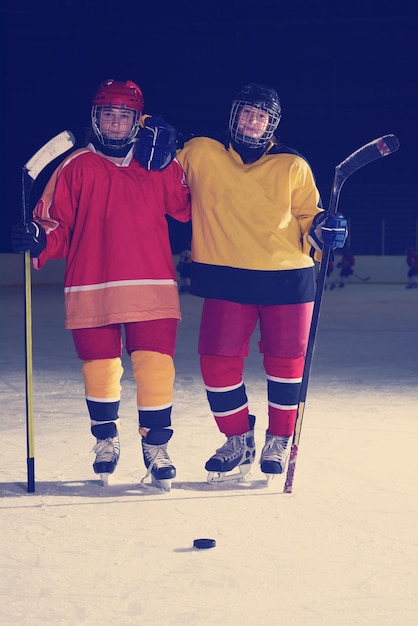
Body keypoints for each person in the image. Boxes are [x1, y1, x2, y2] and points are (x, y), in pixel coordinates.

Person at [135, 82, 348, 483]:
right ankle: (238, 438)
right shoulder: (200, 152)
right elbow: (168, 187)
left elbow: (310, 218)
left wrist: (325, 228)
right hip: (225, 278)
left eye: (262, 117)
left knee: (286, 369)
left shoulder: (292, 165)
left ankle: (279, 439)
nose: (253, 122)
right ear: (233, 116)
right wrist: (154, 144)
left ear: (272, 125)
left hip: (288, 279)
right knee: (217, 367)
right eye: (247, 113)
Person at [12, 79, 191, 491]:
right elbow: (55, 225)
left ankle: (156, 446)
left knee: (155, 367)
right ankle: (106, 440)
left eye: (123, 116)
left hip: (152, 284)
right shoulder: (75, 166)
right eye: (107, 115)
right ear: (95, 119)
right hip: (92, 285)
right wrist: (38, 236)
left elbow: (184, 208)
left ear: (136, 121)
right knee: (101, 369)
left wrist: (170, 162)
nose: (114, 123)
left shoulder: (156, 161)